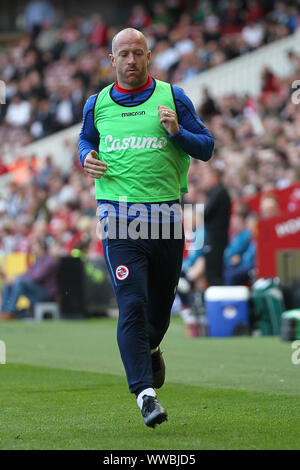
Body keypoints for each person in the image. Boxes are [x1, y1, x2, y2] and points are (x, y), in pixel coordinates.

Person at [78, 28, 214, 428]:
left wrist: (177, 132)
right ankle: (145, 395)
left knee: (158, 308)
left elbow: (205, 147)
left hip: (167, 217)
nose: (132, 60)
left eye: (139, 53)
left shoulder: (173, 97)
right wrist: (86, 156)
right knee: (132, 303)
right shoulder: (97, 103)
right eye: (125, 54)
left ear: (149, 56)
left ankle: (151, 346)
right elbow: (86, 141)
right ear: (112, 60)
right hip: (118, 217)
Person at [0, 239, 58, 320]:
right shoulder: (37, 260)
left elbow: (37, 277)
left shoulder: (50, 261)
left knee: (19, 282)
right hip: (36, 290)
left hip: (45, 293)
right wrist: (13, 278)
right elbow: (27, 274)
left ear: (42, 247)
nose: (33, 248)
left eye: (35, 245)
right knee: (9, 283)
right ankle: (4, 311)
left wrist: (16, 279)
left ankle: (10, 311)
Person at [202, 165, 231, 286]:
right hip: (217, 238)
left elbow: (205, 213)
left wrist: (189, 213)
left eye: (207, 176)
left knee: (212, 273)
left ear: (214, 177)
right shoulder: (218, 192)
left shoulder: (219, 191)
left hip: (215, 239)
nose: (205, 180)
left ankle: (220, 302)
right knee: (213, 273)